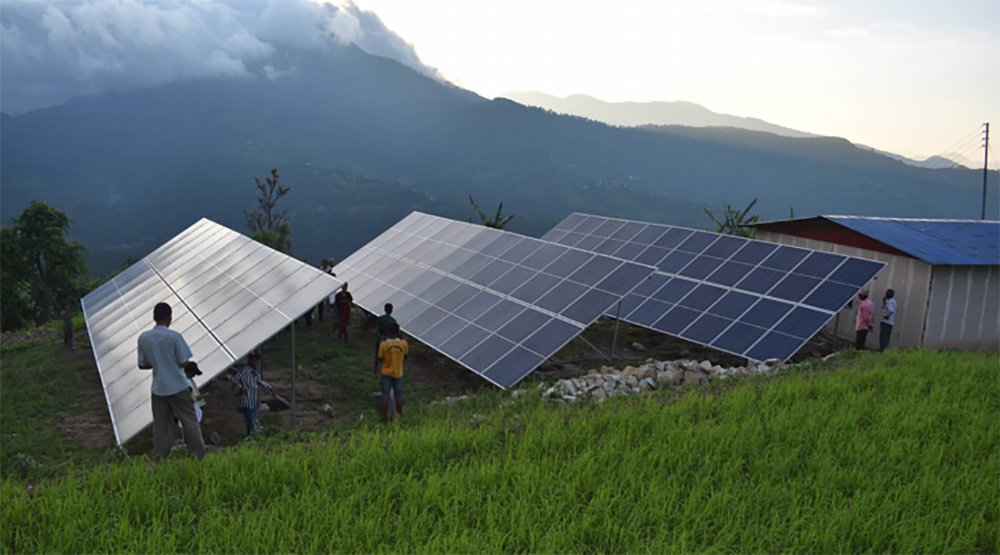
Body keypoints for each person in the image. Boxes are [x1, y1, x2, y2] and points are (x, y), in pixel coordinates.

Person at [137, 302, 206, 459]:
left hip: (158, 388)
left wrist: (158, 362)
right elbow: (183, 362)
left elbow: (142, 364)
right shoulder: (174, 336)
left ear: (154, 317)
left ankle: (160, 457)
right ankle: (197, 455)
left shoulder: (144, 338)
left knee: (161, 426)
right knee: (189, 421)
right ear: (169, 317)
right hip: (178, 386)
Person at [231, 352, 272, 437]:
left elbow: (259, 383)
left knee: (251, 423)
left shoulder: (255, 373)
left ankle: (250, 438)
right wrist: (241, 388)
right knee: (251, 424)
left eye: (258, 361)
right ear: (251, 360)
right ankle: (251, 439)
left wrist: (269, 388)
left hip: (254, 402)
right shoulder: (245, 372)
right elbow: (234, 380)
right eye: (255, 361)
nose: (257, 363)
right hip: (247, 401)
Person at [377, 322, 408, 423]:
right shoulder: (404, 343)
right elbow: (405, 357)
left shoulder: (384, 344)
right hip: (398, 372)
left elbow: (380, 359)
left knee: (385, 395)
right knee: (398, 395)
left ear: (388, 331)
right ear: (398, 331)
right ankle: (400, 416)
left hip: (386, 372)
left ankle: (384, 418)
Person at [373, 303, 397, 372]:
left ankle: (375, 369)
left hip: (380, 338)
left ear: (384, 309)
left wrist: (379, 336)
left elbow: (376, 329)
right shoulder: (393, 321)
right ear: (392, 310)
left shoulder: (380, 318)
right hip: (388, 340)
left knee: (377, 354)